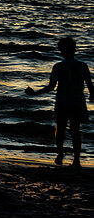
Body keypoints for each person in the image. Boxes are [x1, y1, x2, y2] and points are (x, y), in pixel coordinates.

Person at [26, 37, 94, 168]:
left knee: (60, 129)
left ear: (61, 50)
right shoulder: (82, 66)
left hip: (63, 101)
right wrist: (92, 95)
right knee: (76, 130)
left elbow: (51, 87)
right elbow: (91, 86)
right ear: (74, 49)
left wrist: (34, 93)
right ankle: (76, 160)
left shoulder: (58, 66)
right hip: (77, 101)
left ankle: (60, 153)